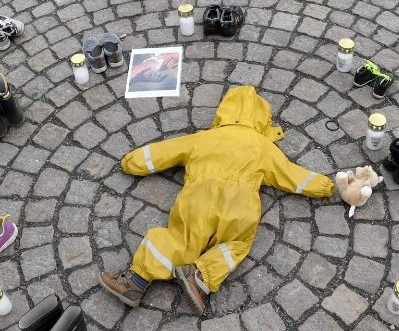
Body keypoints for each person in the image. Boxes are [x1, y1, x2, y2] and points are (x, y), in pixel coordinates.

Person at [100, 86, 335, 314]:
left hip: (198, 198)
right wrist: (327, 186)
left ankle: (136, 281)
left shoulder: (204, 138)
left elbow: (164, 152)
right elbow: (293, 175)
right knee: (236, 245)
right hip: (239, 206)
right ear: (262, 120)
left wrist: (131, 162)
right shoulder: (263, 147)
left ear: (224, 112)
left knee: (180, 238)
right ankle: (200, 277)